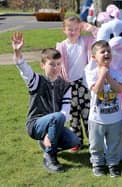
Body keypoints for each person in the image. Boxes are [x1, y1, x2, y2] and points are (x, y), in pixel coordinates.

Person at [11, 32, 80, 173]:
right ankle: (49, 156)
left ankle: (47, 141)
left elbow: (65, 112)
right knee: (57, 117)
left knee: (74, 141)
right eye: (51, 64)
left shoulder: (66, 86)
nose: (55, 68)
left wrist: (51, 132)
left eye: (58, 64)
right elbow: (23, 69)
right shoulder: (36, 81)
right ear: (43, 65)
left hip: (54, 124)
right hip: (35, 125)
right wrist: (17, 51)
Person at [56, 15, 98, 151]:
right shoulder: (61, 46)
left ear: (80, 30)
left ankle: (93, 141)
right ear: (64, 30)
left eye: (76, 29)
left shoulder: (86, 41)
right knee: (73, 114)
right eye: (69, 29)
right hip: (69, 85)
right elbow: (57, 67)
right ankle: (76, 141)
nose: (73, 32)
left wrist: (91, 28)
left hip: (84, 84)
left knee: (87, 113)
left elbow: (101, 37)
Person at [84, 40, 122, 177]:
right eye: (103, 52)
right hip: (97, 118)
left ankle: (113, 164)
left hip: (115, 118)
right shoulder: (90, 72)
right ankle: (98, 164)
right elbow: (96, 90)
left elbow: (119, 89)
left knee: (114, 143)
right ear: (94, 57)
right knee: (96, 144)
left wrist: (108, 76)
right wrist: (102, 75)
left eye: (108, 51)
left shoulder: (116, 71)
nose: (107, 53)